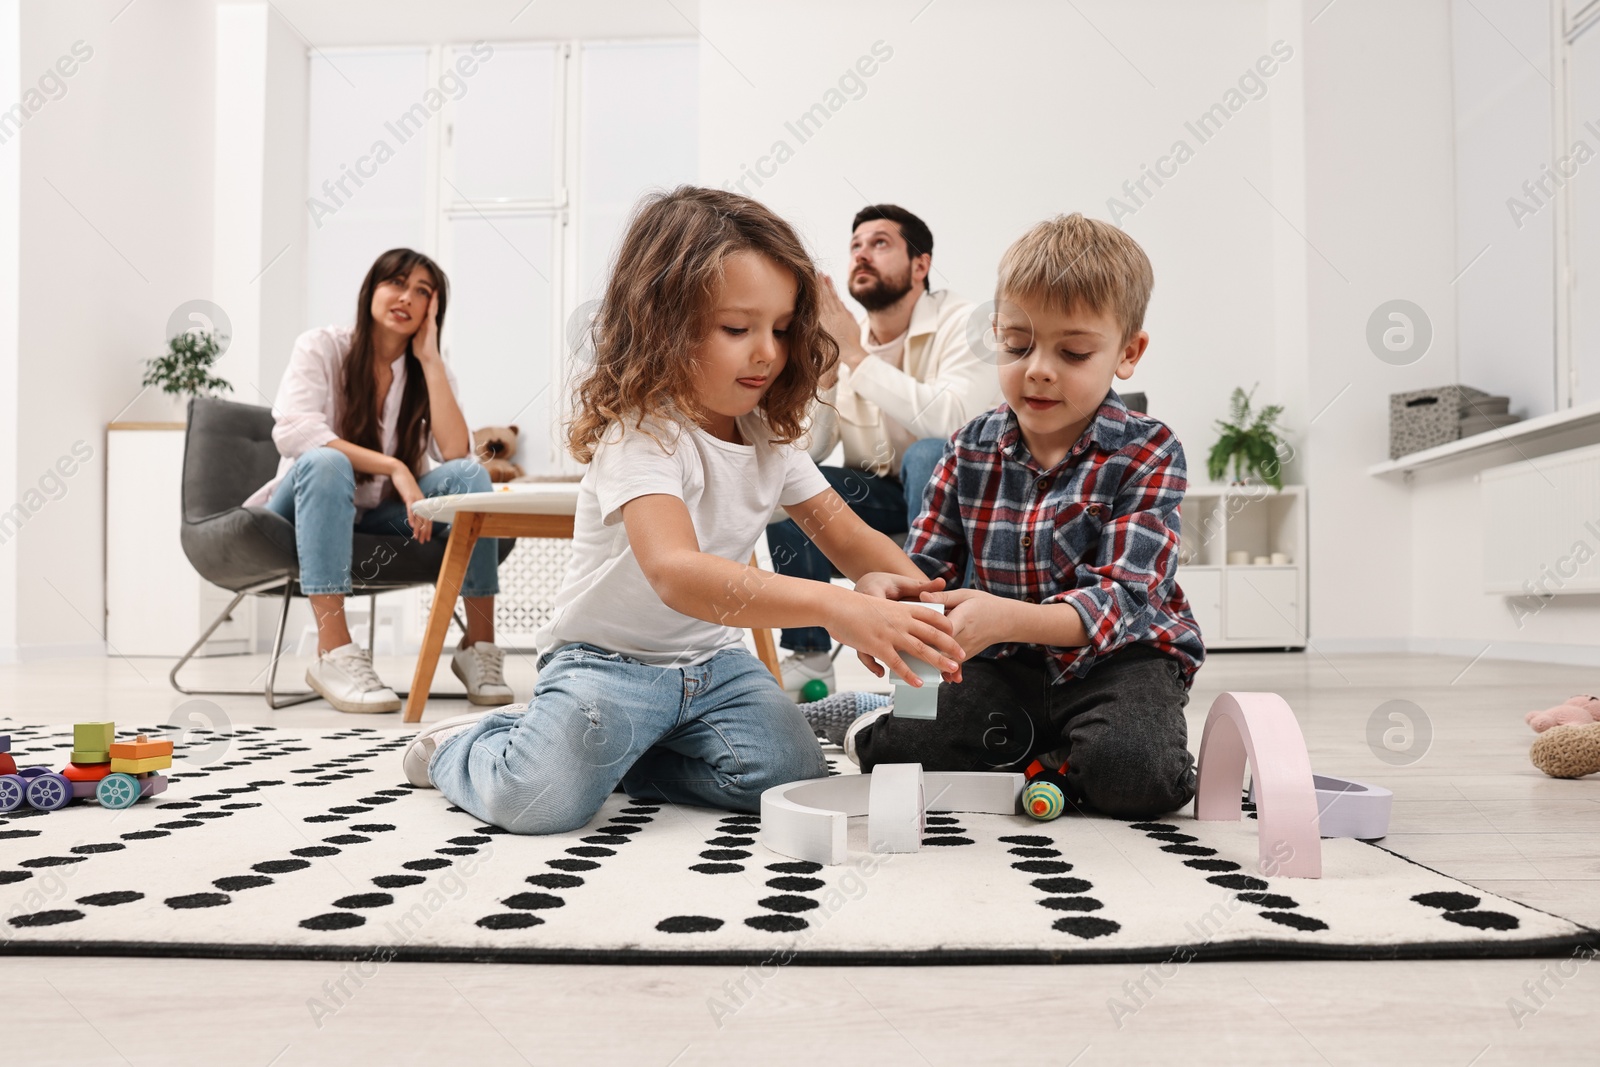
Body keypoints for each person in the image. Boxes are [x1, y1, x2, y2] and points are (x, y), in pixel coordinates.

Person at [400, 186, 966, 835]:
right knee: (539, 802)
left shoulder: (769, 436)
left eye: (781, 329)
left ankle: (625, 758)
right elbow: (676, 570)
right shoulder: (641, 432)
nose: (767, 352)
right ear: (663, 327)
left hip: (714, 664)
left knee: (788, 772)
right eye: (737, 329)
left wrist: (917, 613)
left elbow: (857, 542)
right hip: (604, 663)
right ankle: (468, 746)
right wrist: (840, 606)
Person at [812, 213, 1206, 820]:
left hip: (1120, 662)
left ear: (1128, 353)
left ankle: (1063, 752)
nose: (1038, 368)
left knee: (1137, 776)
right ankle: (874, 718)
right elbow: (926, 570)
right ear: (995, 333)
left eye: (1073, 352)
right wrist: (891, 597)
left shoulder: (1148, 451)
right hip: (1000, 668)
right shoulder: (967, 447)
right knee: (905, 753)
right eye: (1017, 345)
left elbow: (1121, 599)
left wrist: (1005, 618)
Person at [244, 248, 511, 713]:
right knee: (327, 463)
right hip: (300, 505)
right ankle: (333, 651)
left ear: (433, 309)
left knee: (470, 475)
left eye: (422, 291)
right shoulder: (322, 346)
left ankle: (477, 648)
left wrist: (429, 360)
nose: (406, 297)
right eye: (397, 282)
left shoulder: (427, 370)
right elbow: (295, 431)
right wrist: (396, 467)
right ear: (372, 288)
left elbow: (455, 453)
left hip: (377, 516)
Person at [767, 204, 1000, 698]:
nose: (862, 255)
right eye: (855, 246)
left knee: (928, 454)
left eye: (879, 243)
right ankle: (808, 658)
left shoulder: (964, 322)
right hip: (884, 497)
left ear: (920, 266)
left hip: (967, 500)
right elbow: (806, 448)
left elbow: (957, 422)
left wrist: (856, 355)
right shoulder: (847, 341)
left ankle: (926, 629)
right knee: (800, 480)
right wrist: (826, 376)